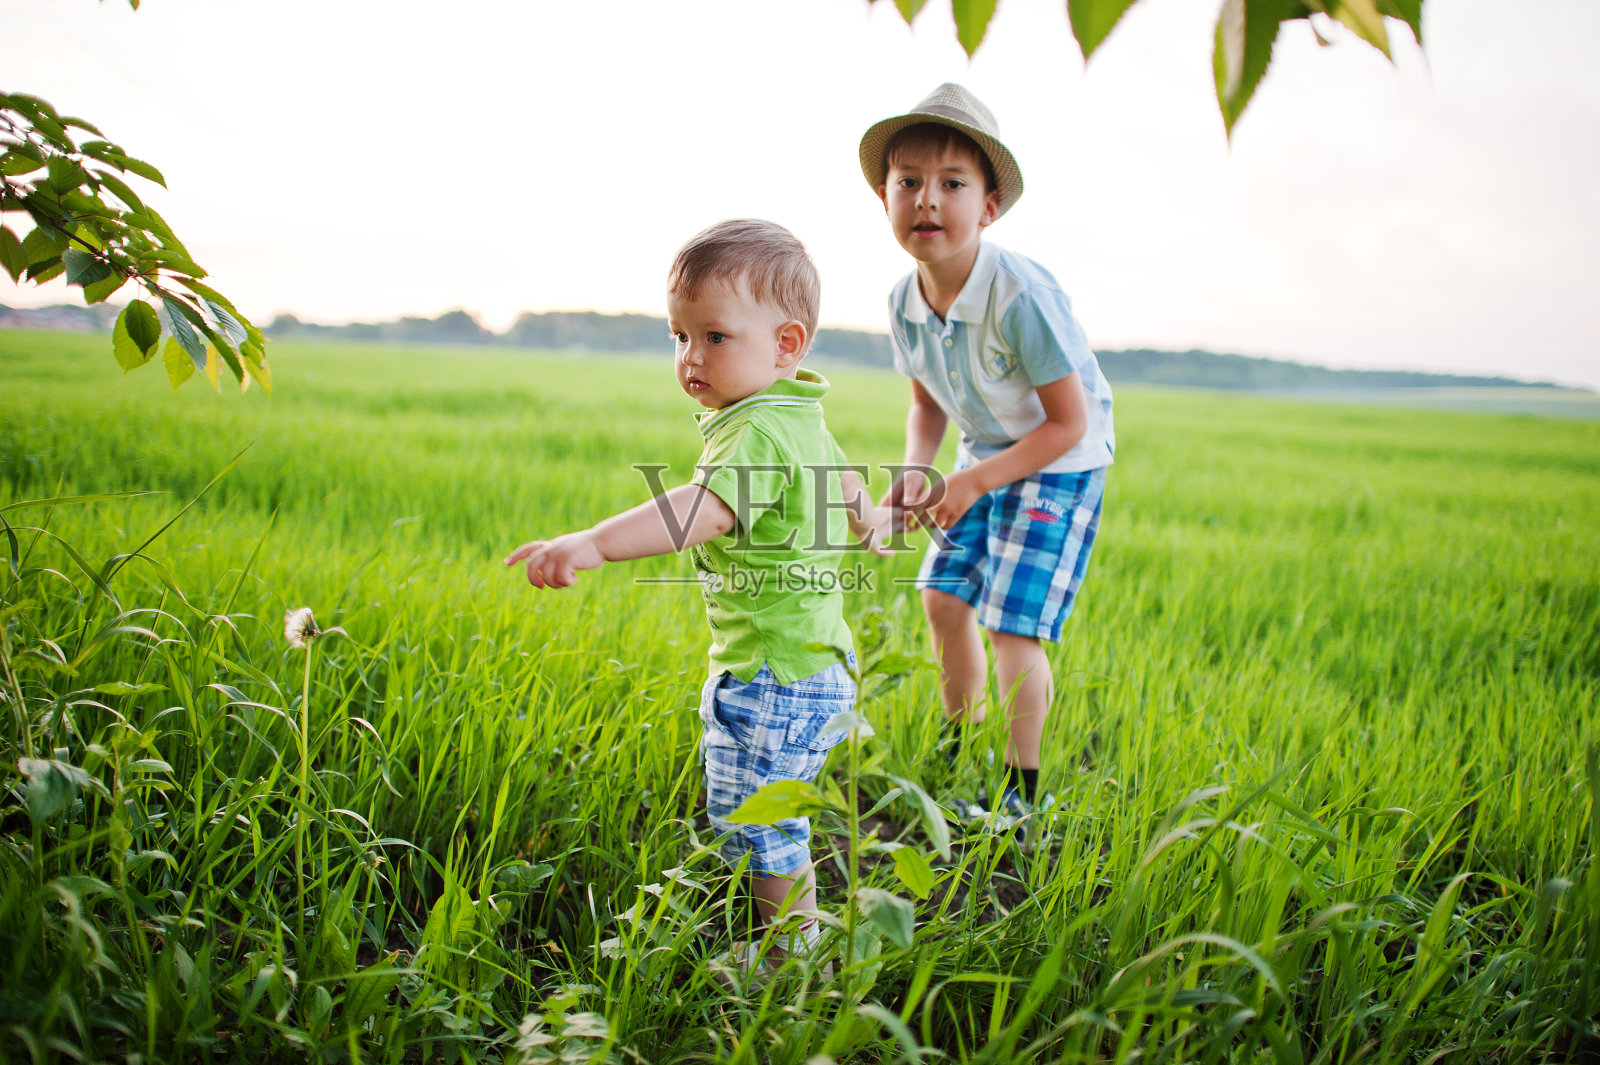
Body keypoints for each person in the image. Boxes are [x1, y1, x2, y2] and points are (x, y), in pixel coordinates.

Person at [506, 219, 887, 979]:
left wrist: (595, 542)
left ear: (786, 344)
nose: (690, 356)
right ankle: (796, 932)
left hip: (773, 674)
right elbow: (844, 477)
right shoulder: (796, 410)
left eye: (715, 336)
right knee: (772, 806)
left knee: (756, 817)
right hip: (817, 662)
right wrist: (869, 521)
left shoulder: (754, 431)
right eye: (679, 335)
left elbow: (705, 509)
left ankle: (790, 953)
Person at [858, 84, 1115, 827]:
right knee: (942, 597)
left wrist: (970, 481)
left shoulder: (1019, 295)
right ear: (884, 197)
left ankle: (1019, 792)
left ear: (989, 207)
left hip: (1059, 464)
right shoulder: (903, 303)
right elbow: (927, 404)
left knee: (1012, 623)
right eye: (908, 182)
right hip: (982, 459)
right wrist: (918, 468)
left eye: (952, 184)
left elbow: (1067, 422)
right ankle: (958, 743)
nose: (926, 199)